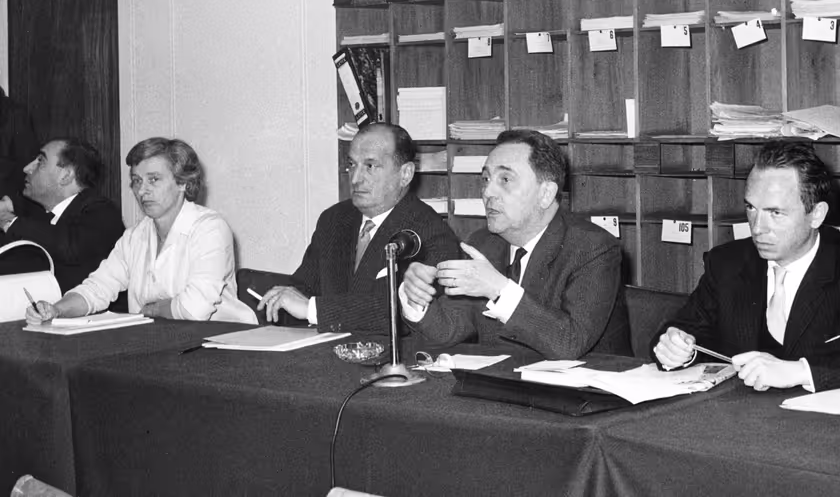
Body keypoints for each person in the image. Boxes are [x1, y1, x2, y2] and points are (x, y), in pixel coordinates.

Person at [654, 140, 840, 392]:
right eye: (751, 208)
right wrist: (677, 350)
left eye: (775, 213)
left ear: (816, 215)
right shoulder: (726, 264)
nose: (758, 228)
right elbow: (681, 330)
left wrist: (800, 371)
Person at [401, 129, 630, 359]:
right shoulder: (483, 243)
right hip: (504, 386)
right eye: (486, 179)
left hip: (583, 390)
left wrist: (499, 290)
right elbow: (450, 327)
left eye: (505, 179)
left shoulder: (593, 248)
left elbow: (571, 342)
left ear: (546, 194)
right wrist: (416, 299)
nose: (488, 191)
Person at [257, 122, 463, 333]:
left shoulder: (431, 233)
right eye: (352, 164)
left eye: (370, 166)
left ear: (405, 174)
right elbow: (303, 288)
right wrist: (276, 300)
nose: (355, 179)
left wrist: (312, 309)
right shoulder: (334, 220)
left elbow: (402, 313)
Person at [25, 137, 255, 324]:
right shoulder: (135, 237)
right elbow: (97, 288)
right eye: (136, 181)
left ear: (183, 183)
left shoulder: (210, 228)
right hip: (156, 345)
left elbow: (194, 309)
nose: (142, 190)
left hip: (220, 345)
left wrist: (149, 310)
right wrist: (56, 310)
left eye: (153, 179)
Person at [0, 138, 124, 293]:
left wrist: (8, 220)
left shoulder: (103, 212)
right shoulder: (39, 213)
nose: (27, 168)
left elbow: (67, 245)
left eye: (40, 161)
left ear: (66, 176)